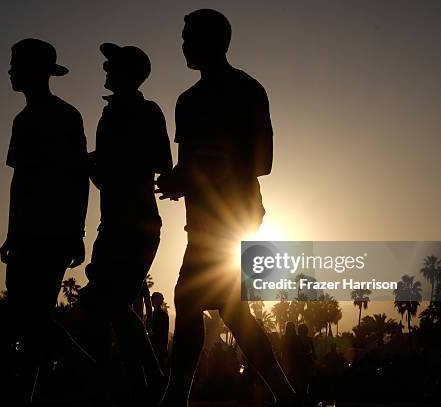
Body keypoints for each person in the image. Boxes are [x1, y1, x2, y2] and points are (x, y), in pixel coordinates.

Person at [156, 9, 296, 406]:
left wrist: (210, 165)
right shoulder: (186, 101)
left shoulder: (247, 89)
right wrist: (178, 181)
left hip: (236, 216)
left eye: (188, 37)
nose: (182, 44)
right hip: (199, 219)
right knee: (231, 310)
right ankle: (283, 392)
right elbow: (188, 165)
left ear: (214, 41)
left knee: (187, 298)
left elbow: (263, 163)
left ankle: (176, 393)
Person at [78, 42, 172, 404]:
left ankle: (152, 376)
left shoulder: (144, 111)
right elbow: (108, 176)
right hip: (116, 222)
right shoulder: (112, 115)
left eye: (111, 66)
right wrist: (96, 166)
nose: (105, 71)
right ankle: (139, 384)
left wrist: (106, 164)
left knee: (111, 302)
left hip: (135, 223)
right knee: (110, 305)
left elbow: (161, 162)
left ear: (128, 74)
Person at [0, 38, 90, 401]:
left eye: (15, 63)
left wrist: (76, 231)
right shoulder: (24, 120)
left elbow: (78, 176)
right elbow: (19, 181)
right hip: (29, 233)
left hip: (50, 232)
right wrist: (12, 231)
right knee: (31, 319)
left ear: (33, 70)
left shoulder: (64, 116)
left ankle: (88, 371)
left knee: (32, 317)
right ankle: (30, 392)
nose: (9, 70)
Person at [149, 291, 170, 371]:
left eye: (153, 299)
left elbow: (163, 334)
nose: (152, 301)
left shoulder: (162, 316)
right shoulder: (153, 315)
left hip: (159, 350)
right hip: (156, 349)